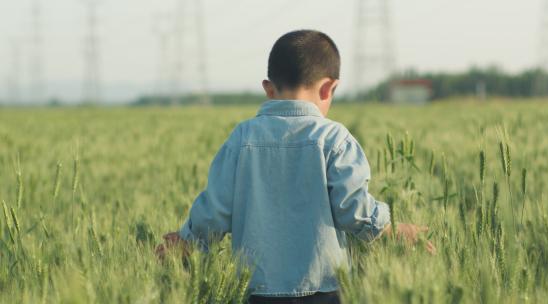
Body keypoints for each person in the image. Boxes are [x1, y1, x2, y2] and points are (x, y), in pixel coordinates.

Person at [156, 29, 435, 304]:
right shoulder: (335, 140)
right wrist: (394, 228)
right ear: (329, 88)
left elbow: (214, 212)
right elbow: (354, 209)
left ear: (268, 89)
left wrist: (187, 239)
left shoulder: (242, 138)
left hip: (257, 291)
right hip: (325, 289)